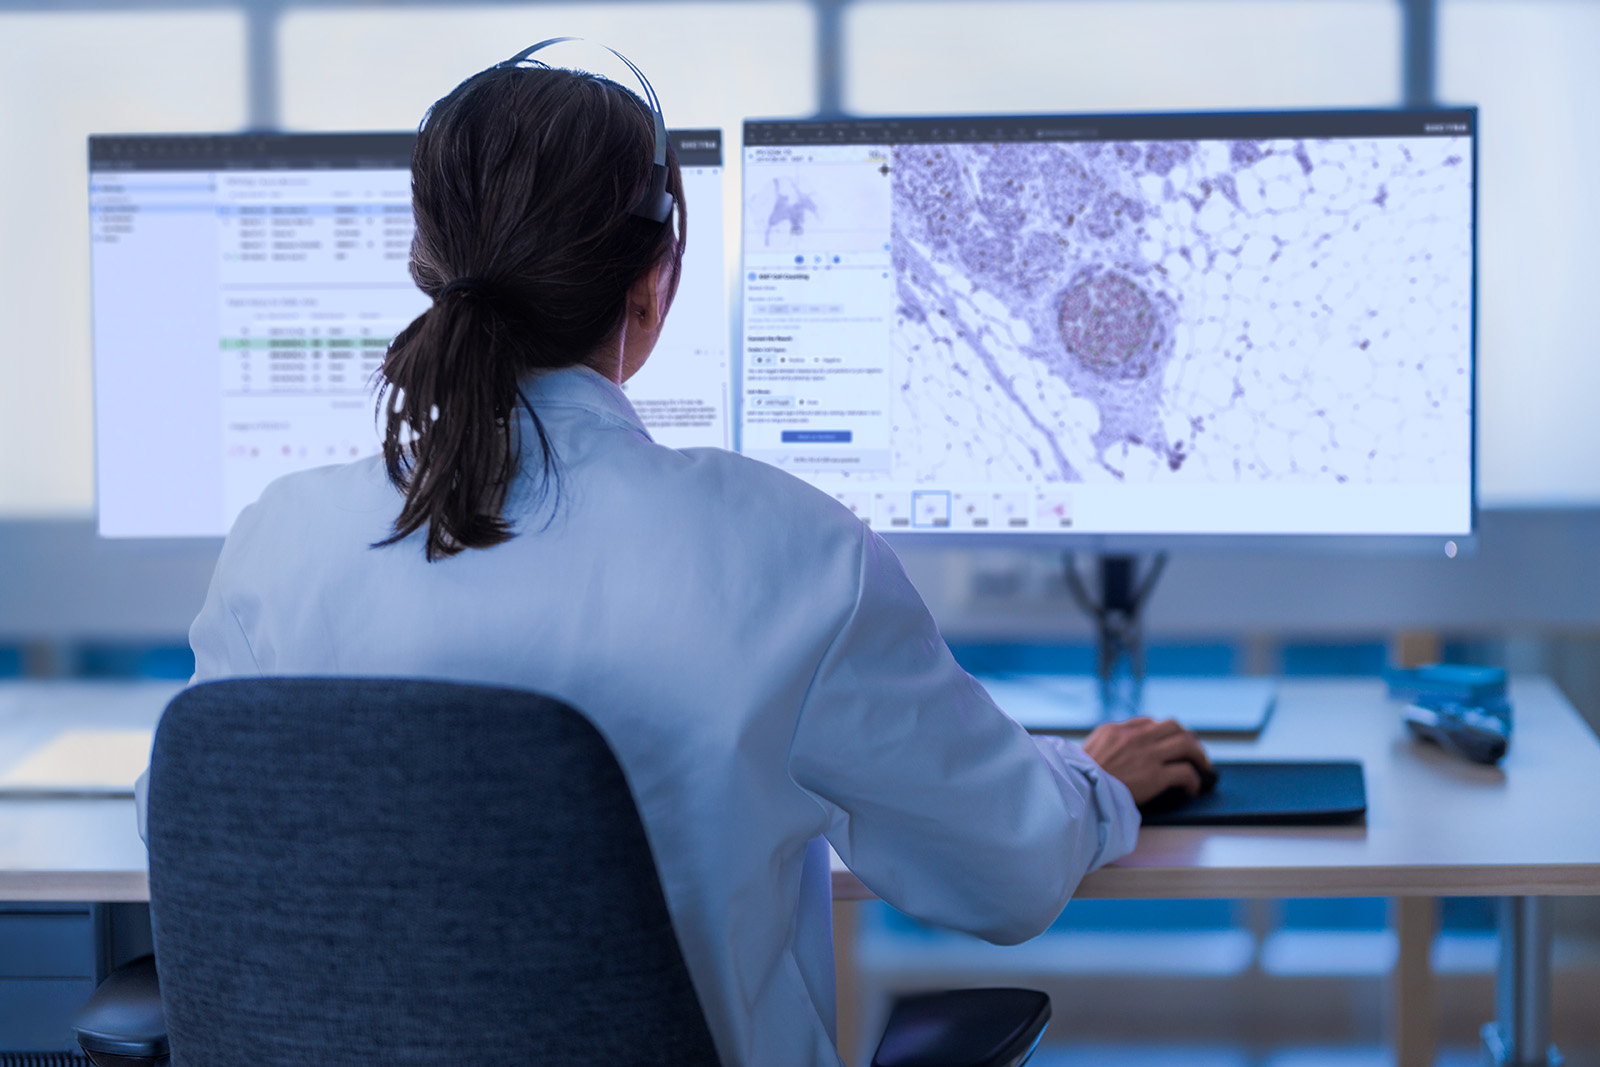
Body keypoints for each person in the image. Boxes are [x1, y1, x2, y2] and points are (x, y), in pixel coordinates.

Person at [165, 52, 1212, 1067]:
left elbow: (207, 846)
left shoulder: (279, 542)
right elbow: (1002, 868)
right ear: (653, 284)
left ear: (426, 267)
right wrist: (1090, 780)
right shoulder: (788, 553)